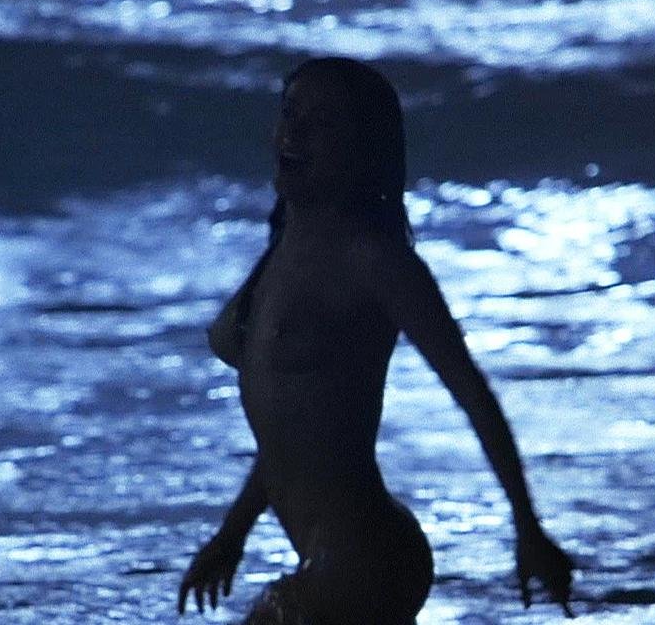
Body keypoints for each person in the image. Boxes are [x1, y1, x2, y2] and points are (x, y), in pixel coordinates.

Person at [176, 57, 575, 624]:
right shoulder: (286, 243)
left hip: (363, 560)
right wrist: (232, 535)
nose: (293, 133)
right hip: (336, 556)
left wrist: (528, 528)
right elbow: (294, 431)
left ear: (360, 148)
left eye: (322, 123)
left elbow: (472, 393)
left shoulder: (375, 261)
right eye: (290, 113)